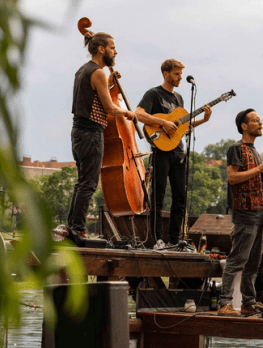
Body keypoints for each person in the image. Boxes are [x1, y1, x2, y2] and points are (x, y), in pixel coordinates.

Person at [66, 31, 135, 246]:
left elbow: (95, 98)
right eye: (113, 47)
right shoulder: (97, 73)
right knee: (88, 183)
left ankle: (72, 228)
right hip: (91, 133)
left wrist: (111, 86)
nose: (116, 51)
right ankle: (77, 230)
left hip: (79, 132)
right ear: (101, 49)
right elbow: (109, 108)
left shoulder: (83, 70)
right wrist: (128, 114)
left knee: (82, 183)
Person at [135, 59, 212, 248]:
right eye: (177, 74)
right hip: (160, 152)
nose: (180, 77)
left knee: (180, 198)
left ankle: (175, 240)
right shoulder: (153, 94)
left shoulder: (179, 99)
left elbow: (181, 128)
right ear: (166, 74)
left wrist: (203, 120)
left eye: (181, 74)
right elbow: (138, 114)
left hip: (178, 152)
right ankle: (157, 239)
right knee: (158, 196)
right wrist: (163, 123)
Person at [218, 109, 263, 316]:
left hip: (258, 212)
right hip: (245, 212)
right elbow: (233, 177)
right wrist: (259, 170)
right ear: (244, 125)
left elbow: (254, 179)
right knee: (237, 260)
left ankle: (248, 301)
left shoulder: (255, 151)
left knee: (253, 262)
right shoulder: (236, 148)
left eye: (260, 120)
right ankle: (224, 302)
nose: (260, 123)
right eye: (255, 121)